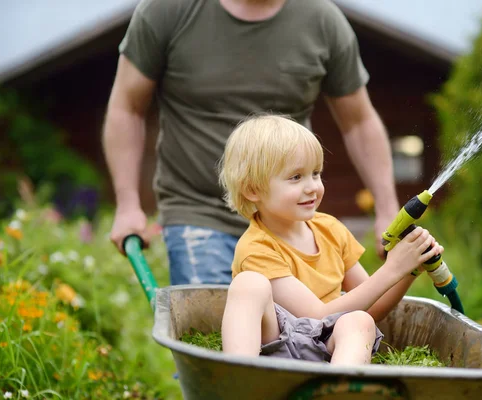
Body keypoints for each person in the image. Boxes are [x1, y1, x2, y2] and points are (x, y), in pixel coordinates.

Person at [103, 0, 400, 286]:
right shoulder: (168, 10)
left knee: (296, 332)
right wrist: (128, 205)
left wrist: (387, 209)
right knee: (215, 331)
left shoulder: (322, 20)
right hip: (198, 211)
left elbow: (359, 122)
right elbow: (127, 108)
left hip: (286, 218)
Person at [218, 115, 443, 364]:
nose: (312, 186)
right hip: (276, 349)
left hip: (329, 349)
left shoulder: (330, 230)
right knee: (249, 284)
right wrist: (393, 267)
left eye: (315, 174)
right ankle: (239, 373)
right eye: (296, 177)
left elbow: (372, 305)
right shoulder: (256, 247)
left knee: (360, 320)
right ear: (252, 190)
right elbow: (315, 315)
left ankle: (338, 387)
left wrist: (408, 269)